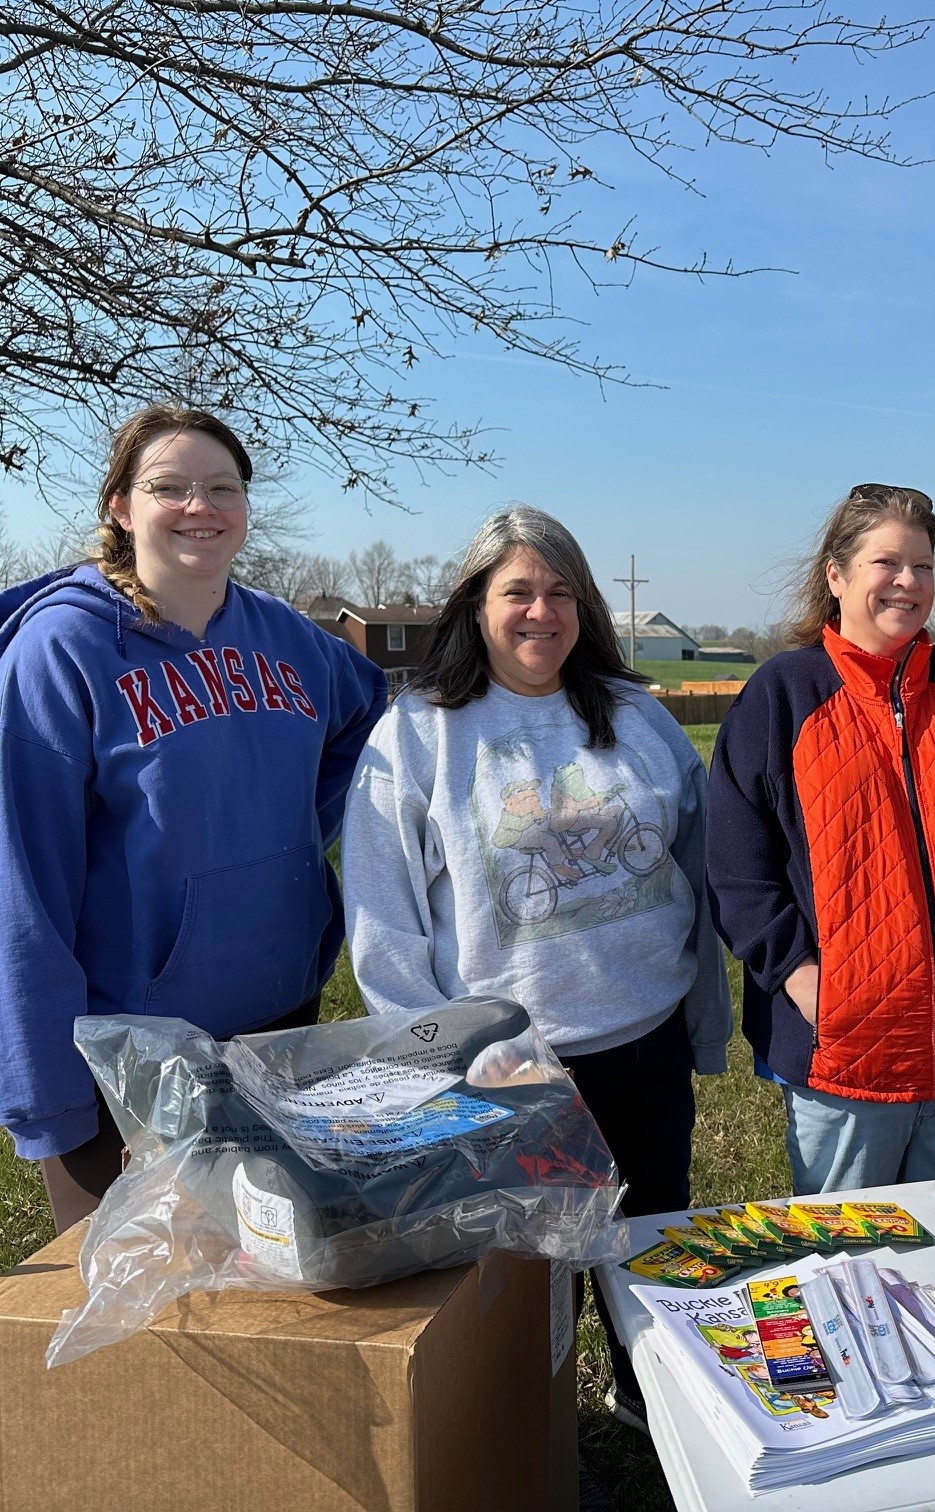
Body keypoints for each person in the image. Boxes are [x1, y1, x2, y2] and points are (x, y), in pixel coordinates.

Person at [341, 505, 731, 1431]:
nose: (540, 612)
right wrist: (444, 1059)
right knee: (518, 1276)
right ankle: (529, 1432)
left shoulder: (637, 717)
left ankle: (649, 1398)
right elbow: (383, 920)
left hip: (642, 1042)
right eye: (517, 590)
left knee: (648, 1240)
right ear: (475, 604)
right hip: (507, 1069)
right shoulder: (419, 735)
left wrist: (701, 1023)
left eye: (560, 591)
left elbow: (701, 873)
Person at [0, 405, 386, 1231]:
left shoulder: (285, 635)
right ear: (119, 506)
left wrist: (292, 834)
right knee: (144, 1327)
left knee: (280, 1279)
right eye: (167, 487)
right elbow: (22, 890)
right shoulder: (60, 652)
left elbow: (367, 718)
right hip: (127, 1060)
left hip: (280, 1023)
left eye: (221, 487)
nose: (198, 506)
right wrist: (49, 1104)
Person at [707, 484, 935, 1195]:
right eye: (886, 563)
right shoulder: (782, 696)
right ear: (835, 575)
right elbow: (735, 870)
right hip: (843, 1055)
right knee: (850, 1265)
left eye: (923, 566)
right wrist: (805, 981)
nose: (907, 582)